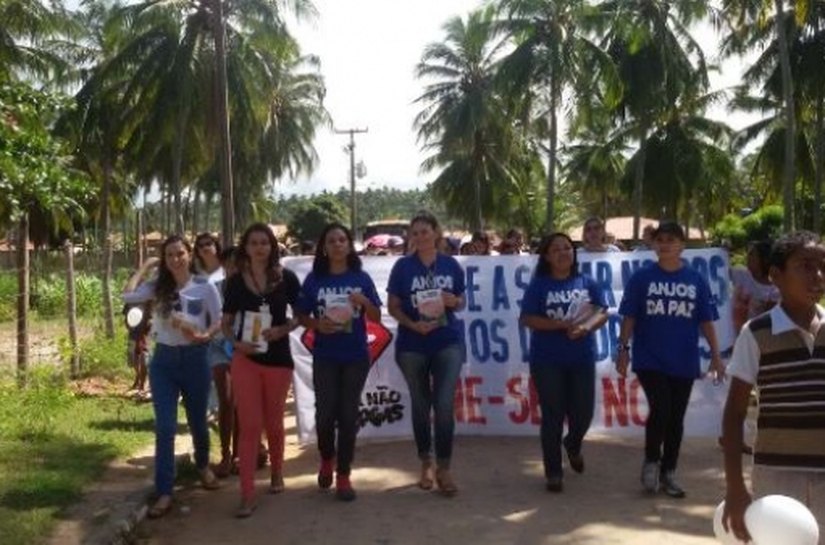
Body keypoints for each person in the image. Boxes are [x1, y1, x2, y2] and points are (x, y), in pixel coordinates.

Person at [722, 231, 825, 542]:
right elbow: (734, 413)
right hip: (778, 472)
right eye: (805, 266)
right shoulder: (755, 334)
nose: (818, 275)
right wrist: (736, 488)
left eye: (822, 266)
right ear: (776, 276)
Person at [615, 221, 724, 498]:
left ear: (682, 246)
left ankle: (669, 472)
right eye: (660, 240)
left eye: (671, 240)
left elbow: (706, 320)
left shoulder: (695, 279)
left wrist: (715, 355)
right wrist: (623, 349)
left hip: (684, 360)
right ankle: (652, 461)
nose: (665, 245)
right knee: (661, 409)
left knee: (675, 418)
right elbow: (629, 316)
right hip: (649, 357)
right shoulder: (641, 279)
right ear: (653, 245)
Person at [122, 235, 223, 519]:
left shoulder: (205, 287)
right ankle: (165, 490)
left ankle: (203, 465)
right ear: (164, 260)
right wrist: (144, 268)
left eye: (180, 253)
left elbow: (219, 320)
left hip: (195, 359)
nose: (175, 259)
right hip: (163, 362)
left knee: (197, 422)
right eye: (169, 255)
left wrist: (205, 334)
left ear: (189, 255)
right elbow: (126, 295)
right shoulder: (158, 287)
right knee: (165, 427)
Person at [296, 223, 382, 501]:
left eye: (342, 240)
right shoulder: (314, 279)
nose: (337, 244)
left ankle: (343, 475)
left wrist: (364, 302)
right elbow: (301, 316)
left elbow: (377, 317)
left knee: (347, 416)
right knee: (324, 416)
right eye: (331, 240)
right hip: (325, 356)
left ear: (349, 245)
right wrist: (316, 324)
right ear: (324, 246)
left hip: (356, 356)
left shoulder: (361, 277)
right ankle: (326, 459)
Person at [221, 223, 300, 518]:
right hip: (246, 359)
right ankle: (247, 494)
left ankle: (278, 471)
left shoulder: (287, 278)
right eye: (254, 243)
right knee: (250, 424)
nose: (259, 248)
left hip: (279, 359)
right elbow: (226, 324)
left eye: (264, 242)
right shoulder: (235, 282)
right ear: (246, 247)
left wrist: (283, 328)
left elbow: (301, 315)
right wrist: (237, 344)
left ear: (272, 246)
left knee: (274, 422)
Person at [520, 233, 609, 492]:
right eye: (556, 249)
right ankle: (553, 472)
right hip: (547, 360)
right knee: (552, 415)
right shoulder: (539, 285)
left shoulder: (587, 282)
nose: (563, 253)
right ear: (547, 256)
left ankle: (572, 444)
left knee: (583, 414)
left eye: (567, 248)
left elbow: (602, 313)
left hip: (581, 358)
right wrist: (559, 324)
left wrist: (585, 328)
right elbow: (527, 319)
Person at [387, 211, 466, 497]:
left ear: (436, 233)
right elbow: (393, 305)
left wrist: (454, 300)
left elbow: (461, 301)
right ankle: (426, 462)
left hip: (447, 341)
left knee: (443, 404)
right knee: (421, 405)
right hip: (412, 343)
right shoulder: (402, 267)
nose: (420, 236)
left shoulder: (451, 265)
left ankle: (444, 467)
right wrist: (411, 324)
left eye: (424, 231)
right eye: (415, 232)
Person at [193, 233, 234, 478]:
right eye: (201, 246)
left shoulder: (229, 271)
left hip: (238, 341)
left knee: (240, 401)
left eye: (209, 244)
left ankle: (248, 449)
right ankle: (226, 454)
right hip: (212, 343)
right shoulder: (197, 278)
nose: (206, 248)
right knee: (223, 401)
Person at [731, 240, 780, 333]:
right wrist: (722, 253)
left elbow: (769, 320)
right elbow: (719, 270)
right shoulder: (740, 273)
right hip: (733, 335)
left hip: (757, 336)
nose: (747, 257)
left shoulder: (776, 289)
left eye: (752, 254)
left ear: (765, 259)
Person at [124, 300, 150, 400]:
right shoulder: (130, 301)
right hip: (133, 333)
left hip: (146, 333)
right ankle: (138, 378)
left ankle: (143, 385)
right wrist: (129, 326)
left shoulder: (149, 300)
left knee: (144, 357)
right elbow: (126, 317)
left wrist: (147, 328)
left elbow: (154, 316)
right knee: (133, 359)